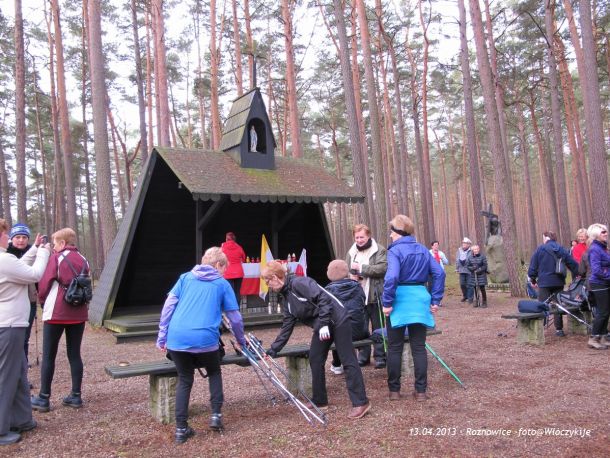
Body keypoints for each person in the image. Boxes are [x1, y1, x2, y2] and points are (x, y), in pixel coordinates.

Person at [157, 247, 246, 443]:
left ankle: (181, 429)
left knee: (184, 379)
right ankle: (216, 415)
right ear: (218, 265)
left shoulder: (184, 278)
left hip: (177, 339)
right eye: (224, 269)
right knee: (214, 371)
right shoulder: (222, 284)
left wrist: (162, 337)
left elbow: (168, 306)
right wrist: (241, 340)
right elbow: (235, 318)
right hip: (206, 339)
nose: (224, 273)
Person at [263, 260, 371, 419]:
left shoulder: (300, 283)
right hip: (323, 325)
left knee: (347, 359)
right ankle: (320, 400)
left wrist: (324, 323)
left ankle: (361, 402)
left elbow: (324, 299)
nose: (268, 285)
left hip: (338, 320)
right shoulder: (286, 298)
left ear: (275, 277)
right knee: (315, 357)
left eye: (268, 281)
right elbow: (287, 326)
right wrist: (273, 350)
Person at [382, 215, 445, 401]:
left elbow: (391, 277)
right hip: (419, 298)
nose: (390, 235)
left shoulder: (394, 251)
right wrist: (435, 300)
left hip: (399, 299)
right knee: (419, 347)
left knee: (394, 347)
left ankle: (394, 391)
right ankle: (421, 391)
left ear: (398, 232)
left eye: (392, 232)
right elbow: (439, 273)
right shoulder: (423, 250)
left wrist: (387, 302)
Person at [0, 219, 50, 446]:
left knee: (19, 372)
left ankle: (21, 419)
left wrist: (34, 248)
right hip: (8, 325)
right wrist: (44, 252)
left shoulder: (7, 260)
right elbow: (34, 274)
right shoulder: (4, 259)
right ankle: (1, 428)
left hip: (13, 325)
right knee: (6, 377)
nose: (9, 238)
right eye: (5, 234)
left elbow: (20, 265)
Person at [31, 228, 90, 413]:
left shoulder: (56, 258)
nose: (54, 247)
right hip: (78, 313)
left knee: (49, 355)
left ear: (63, 243)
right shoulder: (84, 259)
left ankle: (44, 398)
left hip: (56, 312)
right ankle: (76, 395)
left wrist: (42, 301)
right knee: (75, 354)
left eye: (56, 243)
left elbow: (44, 284)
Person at [345, 224, 387, 368]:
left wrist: (362, 269)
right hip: (357, 297)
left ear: (368, 236)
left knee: (378, 327)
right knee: (360, 328)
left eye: (362, 237)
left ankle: (380, 356)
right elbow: (347, 269)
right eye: (357, 237)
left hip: (375, 295)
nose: (359, 240)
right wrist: (351, 275)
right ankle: (363, 356)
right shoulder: (351, 252)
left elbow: (382, 268)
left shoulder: (379, 249)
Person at [527, 231, 578, 337]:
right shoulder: (561, 249)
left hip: (544, 282)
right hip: (558, 281)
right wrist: (579, 274)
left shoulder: (540, 249)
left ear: (546, 238)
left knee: (542, 305)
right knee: (557, 305)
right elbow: (572, 264)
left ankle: (540, 328)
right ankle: (559, 329)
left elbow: (533, 266)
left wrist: (532, 279)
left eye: (543, 238)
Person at [325, 260, 368, 375]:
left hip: (341, 334)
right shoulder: (357, 287)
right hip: (359, 332)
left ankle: (337, 364)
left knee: (334, 326)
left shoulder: (327, 291)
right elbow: (362, 304)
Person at [6, 223, 38, 360]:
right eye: (17, 237)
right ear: (12, 238)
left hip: (30, 299)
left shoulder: (34, 252)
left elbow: (38, 274)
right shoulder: (6, 253)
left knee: (25, 334)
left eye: (24, 237)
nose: (21, 240)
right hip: (10, 300)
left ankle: (23, 363)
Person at [584, 224, 610, 350]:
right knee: (602, 311)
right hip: (599, 283)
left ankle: (603, 336)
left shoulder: (603, 247)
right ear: (595, 234)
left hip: (605, 282)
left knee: (606, 311)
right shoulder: (595, 249)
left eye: (606, 231)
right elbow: (596, 270)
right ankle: (593, 338)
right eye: (603, 232)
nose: (606, 233)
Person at [220, 232, 246, 305]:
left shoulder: (223, 247)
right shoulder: (239, 247)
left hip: (228, 273)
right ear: (234, 239)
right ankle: (237, 309)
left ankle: (231, 309)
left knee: (229, 293)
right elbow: (243, 258)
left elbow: (220, 258)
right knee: (237, 292)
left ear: (226, 239)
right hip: (239, 272)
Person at [456, 238, 473, 302]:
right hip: (461, 270)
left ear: (469, 244)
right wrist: (457, 268)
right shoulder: (459, 250)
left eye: (466, 243)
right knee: (462, 284)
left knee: (469, 284)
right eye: (463, 243)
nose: (464, 244)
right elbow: (457, 259)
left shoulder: (471, 251)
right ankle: (465, 296)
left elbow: (472, 259)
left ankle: (470, 297)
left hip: (469, 270)